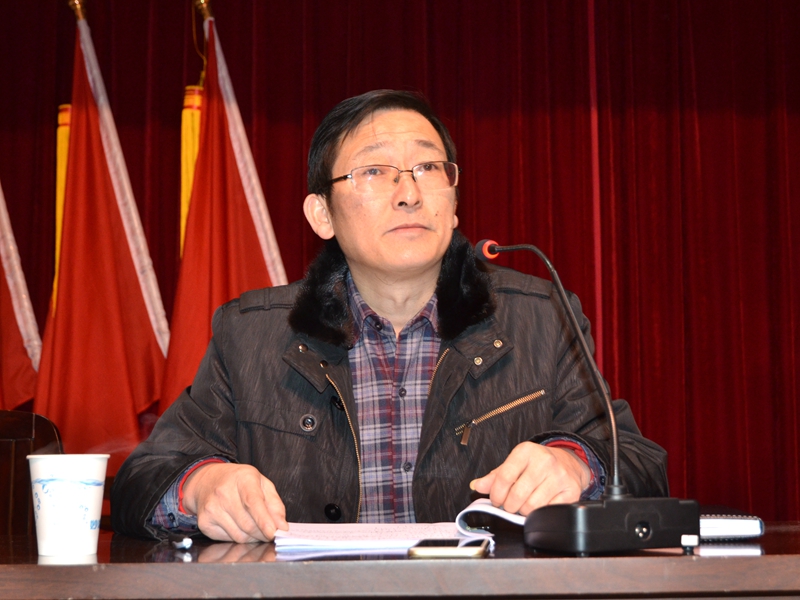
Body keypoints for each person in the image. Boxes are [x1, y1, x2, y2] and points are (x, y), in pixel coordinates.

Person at [111, 89, 668, 542]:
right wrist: (201, 486)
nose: (409, 193)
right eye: (375, 171)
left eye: (428, 167)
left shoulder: (542, 318)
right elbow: (141, 479)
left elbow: (642, 464)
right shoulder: (251, 333)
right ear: (322, 214)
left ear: (453, 201)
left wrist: (576, 465)